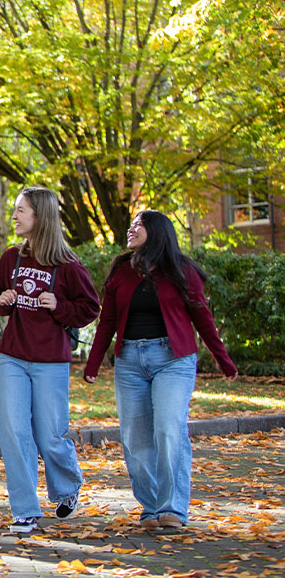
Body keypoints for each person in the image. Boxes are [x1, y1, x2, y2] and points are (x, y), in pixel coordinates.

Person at [83, 210, 239, 530]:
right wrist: (94, 362)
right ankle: (152, 507)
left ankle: (173, 508)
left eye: (139, 224)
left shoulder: (181, 271)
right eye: (132, 224)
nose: (131, 228)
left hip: (173, 359)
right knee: (135, 438)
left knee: (168, 428)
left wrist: (223, 360)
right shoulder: (122, 270)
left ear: (157, 231)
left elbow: (202, 318)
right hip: (129, 362)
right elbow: (108, 320)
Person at [0, 187, 100, 534]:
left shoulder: (68, 265)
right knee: (13, 432)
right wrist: (5, 300)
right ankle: (25, 509)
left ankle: (67, 487)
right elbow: (1, 304)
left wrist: (60, 306)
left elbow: (89, 309)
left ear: (40, 216)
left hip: (51, 360)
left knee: (50, 435)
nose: (15, 216)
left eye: (21, 210)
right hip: (14, 357)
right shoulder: (11, 257)